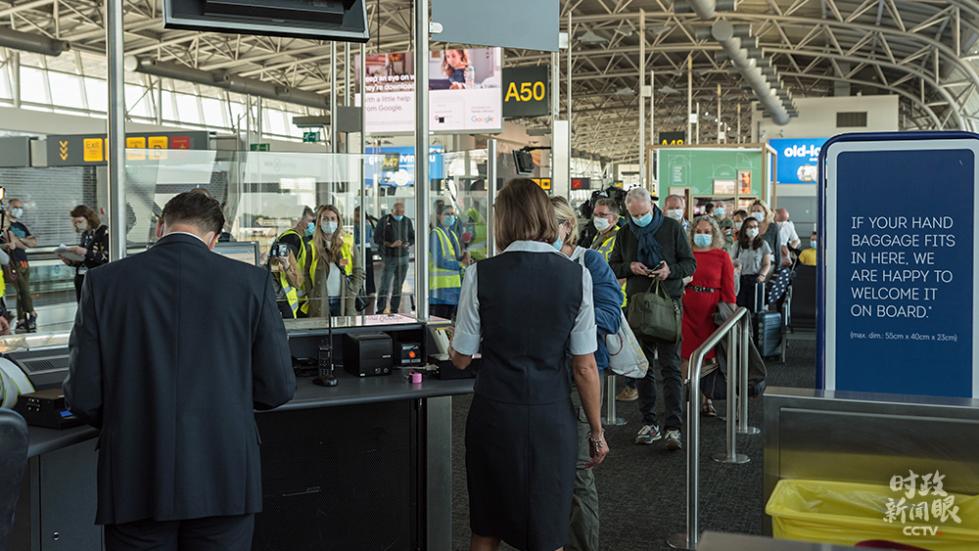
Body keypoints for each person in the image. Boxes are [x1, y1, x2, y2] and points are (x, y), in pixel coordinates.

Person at [63, 191, 296, 551]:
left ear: (160, 227)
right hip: (224, 475)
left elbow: (83, 394)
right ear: (214, 239)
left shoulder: (103, 282)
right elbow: (276, 388)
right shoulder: (252, 282)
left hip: (134, 477)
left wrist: (128, 423)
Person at [450, 179, 608, 551]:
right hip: (551, 416)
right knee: (548, 532)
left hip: (494, 414)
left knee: (486, 526)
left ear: (504, 220)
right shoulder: (576, 275)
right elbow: (584, 366)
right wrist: (597, 431)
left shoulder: (480, 273)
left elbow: (461, 357)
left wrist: (458, 338)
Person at [552, 196, 622, 551]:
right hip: (542, 377)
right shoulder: (532, 263)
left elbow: (611, 312)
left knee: (579, 472)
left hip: (580, 373)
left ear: (568, 226)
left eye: (552, 223)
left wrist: (572, 324)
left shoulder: (589, 261)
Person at [608, 188, 696, 451]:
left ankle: (673, 426)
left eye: (643, 213)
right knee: (642, 367)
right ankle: (649, 423)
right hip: (638, 305)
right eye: (635, 216)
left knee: (670, 367)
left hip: (668, 304)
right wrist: (630, 267)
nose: (639, 219)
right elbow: (613, 266)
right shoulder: (625, 233)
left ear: (652, 207)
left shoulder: (671, 228)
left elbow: (690, 264)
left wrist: (670, 271)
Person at [683, 216, 736, 417]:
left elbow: (729, 289)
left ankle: (707, 398)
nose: (702, 235)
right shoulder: (685, 255)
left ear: (714, 234)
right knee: (686, 355)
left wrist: (731, 315)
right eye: (699, 231)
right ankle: (690, 398)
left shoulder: (722, 256)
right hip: (687, 309)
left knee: (710, 356)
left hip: (711, 312)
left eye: (707, 232)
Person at [589, 198, 637, 403]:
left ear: (615, 217)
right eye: (596, 214)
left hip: (618, 300)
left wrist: (611, 291)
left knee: (624, 346)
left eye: (603, 215)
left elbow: (623, 269)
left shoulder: (620, 237)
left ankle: (632, 386)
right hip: (600, 299)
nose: (597, 218)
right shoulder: (599, 236)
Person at [305, 205, 364, 318]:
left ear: (338, 221)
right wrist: (311, 293)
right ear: (319, 222)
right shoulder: (312, 245)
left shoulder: (348, 243)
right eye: (325, 219)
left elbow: (358, 271)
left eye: (333, 219)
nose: (329, 222)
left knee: (344, 328)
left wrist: (352, 291)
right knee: (322, 328)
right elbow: (305, 272)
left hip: (344, 299)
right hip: (320, 301)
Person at [270, 206, 315, 318]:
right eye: (309, 221)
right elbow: (279, 266)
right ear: (299, 221)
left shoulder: (297, 237)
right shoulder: (292, 239)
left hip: (292, 296)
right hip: (287, 297)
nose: (311, 225)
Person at [60, 205, 109, 302]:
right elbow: (83, 259)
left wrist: (84, 251)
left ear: (89, 219)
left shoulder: (103, 232)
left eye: (80, 222)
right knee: (81, 306)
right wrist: (70, 261)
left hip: (96, 278)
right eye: (75, 223)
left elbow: (105, 258)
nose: (78, 225)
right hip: (81, 278)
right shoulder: (85, 234)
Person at [429, 204, 469, 320]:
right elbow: (439, 261)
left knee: (450, 325)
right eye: (447, 214)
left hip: (453, 289)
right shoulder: (435, 234)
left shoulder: (452, 234)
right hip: (440, 291)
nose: (451, 217)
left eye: (452, 214)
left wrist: (464, 257)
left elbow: (456, 257)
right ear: (439, 216)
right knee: (439, 324)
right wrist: (460, 264)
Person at [5, 198, 37, 332]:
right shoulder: (5, 226)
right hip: (12, 262)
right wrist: (23, 243)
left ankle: (21, 319)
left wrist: (19, 240)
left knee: (22, 292)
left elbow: (33, 242)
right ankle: (32, 312)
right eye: (15, 207)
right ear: (8, 208)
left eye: (21, 208)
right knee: (23, 289)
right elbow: (15, 243)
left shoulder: (21, 226)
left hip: (24, 262)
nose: (18, 210)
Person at [377, 202, 415, 314]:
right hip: (389, 258)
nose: (400, 214)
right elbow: (377, 238)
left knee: (398, 286)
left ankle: (394, 309)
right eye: (397, 212)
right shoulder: (384, 220)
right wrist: (390, 244)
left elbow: (412, 237)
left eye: (402, 212)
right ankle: (380, 309)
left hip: (403, 257)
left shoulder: (407, 221)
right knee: (385, 285)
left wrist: (407, 243)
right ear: (392, 211)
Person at [731, 216, 773, 308]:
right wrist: (736, 265)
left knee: (755, 307)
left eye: (755, 226)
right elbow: (731, 261)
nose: (753, 229)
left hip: (755, 279)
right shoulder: (737, 245)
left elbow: (767, 264)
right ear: (745, 229)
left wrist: (762, 275)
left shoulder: (763, 244)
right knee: (740, 307)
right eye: (750, 227)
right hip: (740, 280)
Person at [354, 207, 378, 310]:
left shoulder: (362, 225)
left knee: (366, 269)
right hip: (364, 248)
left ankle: (366, 290)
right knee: (364, 270)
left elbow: (357, 238)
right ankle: (366, 290)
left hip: (361, 248)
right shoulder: (366, 224)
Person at [749, 200, 784, 269]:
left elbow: (777, 247)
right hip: (752, 264)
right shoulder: (748, 227)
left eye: (759, 211)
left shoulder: (772, 227)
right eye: (753, 211)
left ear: (765, 212)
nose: (755, 213)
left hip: (769, 263)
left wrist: (778, 267)